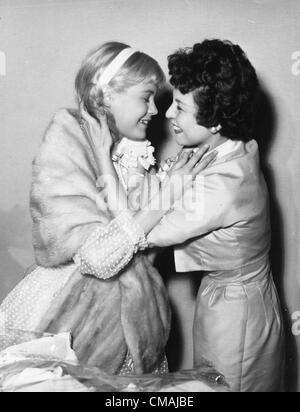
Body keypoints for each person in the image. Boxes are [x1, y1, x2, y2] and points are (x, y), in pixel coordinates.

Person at [0, 42, 215, 376]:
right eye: (146, 97)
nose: (156, 112)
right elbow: (99, 257)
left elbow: (133, 241)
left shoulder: (136, 154)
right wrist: (164, 196)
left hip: (130, 320)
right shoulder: (65, 145)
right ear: (108, 95)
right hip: (65, 315)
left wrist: (111, 164)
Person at [145, 39, 285, 391]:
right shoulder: (239, 145)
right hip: (240, 299)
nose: (167, 115)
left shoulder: (223, 186)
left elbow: (144, 232)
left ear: (216, 122)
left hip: (236, 317)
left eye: (179, 107)